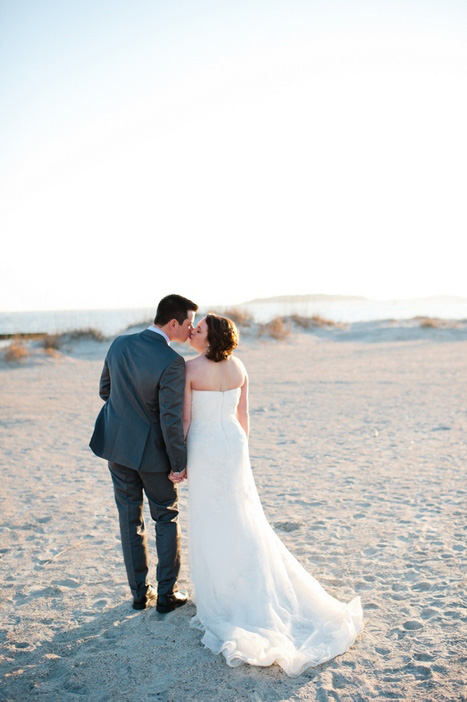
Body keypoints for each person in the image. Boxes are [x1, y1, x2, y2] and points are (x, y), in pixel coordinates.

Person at [183, 313, 363, 677]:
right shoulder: (240, 367)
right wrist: (240, 451)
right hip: (233, 444)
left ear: (210, 337)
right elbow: (243, 414)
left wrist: (181, 457)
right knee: (241, 515)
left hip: (204, 446)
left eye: (199, 329)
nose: (193, 331)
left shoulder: (190, 369)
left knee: (209, 516)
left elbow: (186, 420)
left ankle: (222, 594)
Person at [89, 294, 198, 612]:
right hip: (152, 456)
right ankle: (166, 594)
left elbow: (105, 391)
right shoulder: (171, 362)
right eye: (189, 323)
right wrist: (179, 463)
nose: (191, 329)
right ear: (174, 322)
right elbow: (170, 419)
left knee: (129, 519)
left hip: (118, 448)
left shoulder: (119, 344)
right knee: (166, 517)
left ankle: (139, 593)